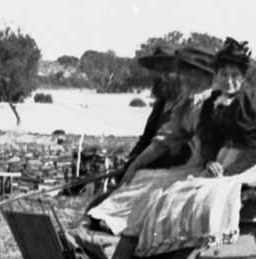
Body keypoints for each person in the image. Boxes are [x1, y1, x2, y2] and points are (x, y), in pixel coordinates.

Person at [104, 38, 256, 259]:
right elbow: (209, 138)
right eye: (224, 74)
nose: (229, 80)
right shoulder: (214, 101)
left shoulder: (253, 103)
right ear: (216, 75)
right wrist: (209, 162)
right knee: (168, 193)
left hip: (250, 165)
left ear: (243, 76)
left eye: (235, 75)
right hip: (222, 162)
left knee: (194, 197)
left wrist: (228, 172)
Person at [85, 44, 213, 240]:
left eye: (169, 70)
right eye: (158, 70)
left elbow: (204, 144)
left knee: (152, 185)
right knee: (131, 183)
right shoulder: (176, 103)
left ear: (205, 76)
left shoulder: (211, 102)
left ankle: (118, 230)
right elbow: (157, 139)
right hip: (169, 165)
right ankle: (98, 227)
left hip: (195, 166)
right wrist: (133, 163)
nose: (162, 75)